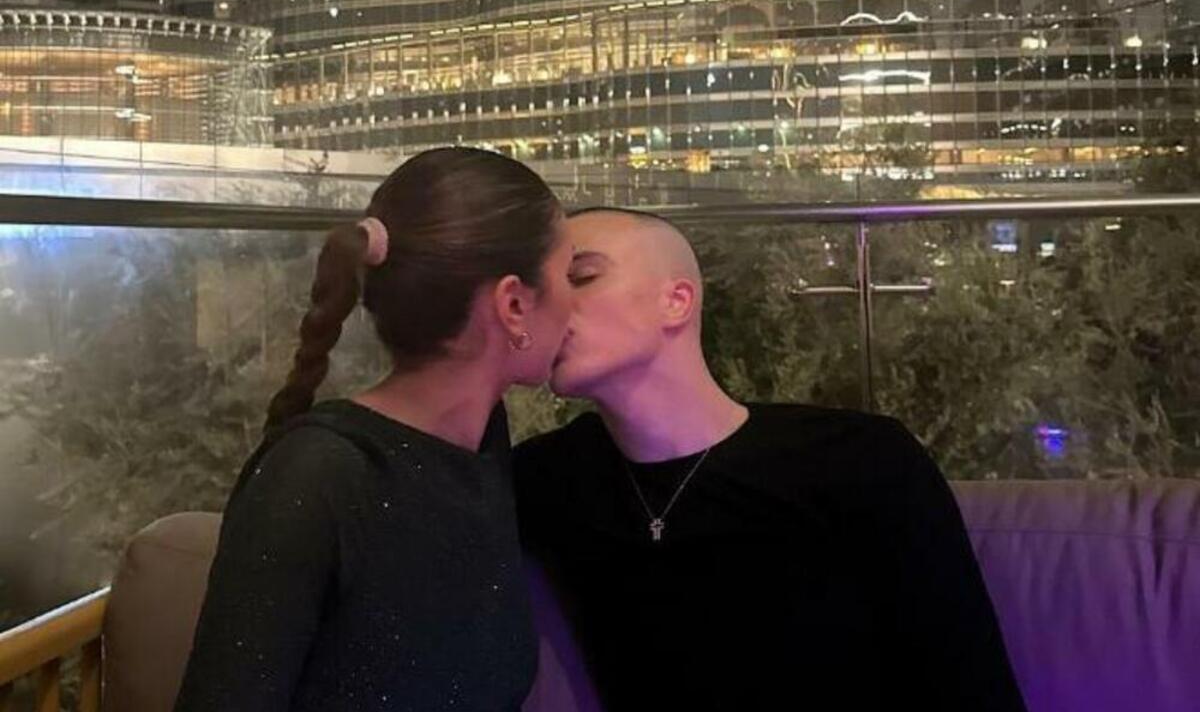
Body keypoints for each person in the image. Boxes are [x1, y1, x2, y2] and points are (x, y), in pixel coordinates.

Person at [514, 208, 1027, 711]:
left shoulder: (858, 460)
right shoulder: (548, 480)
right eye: (538, 291)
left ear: (676, 301)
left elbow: (971, 683)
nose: (549, 307)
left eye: (581, 277)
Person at [175, 147, 575, 712]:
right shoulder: (317, 476)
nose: (578, 306)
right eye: (572, 276)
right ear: (512, 303)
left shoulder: (483, 446)